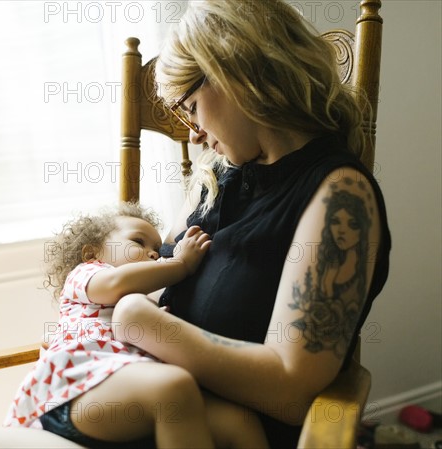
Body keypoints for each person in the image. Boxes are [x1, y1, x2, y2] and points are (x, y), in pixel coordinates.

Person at [105, 1, 392, 448]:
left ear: (236, 71)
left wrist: (144, 324)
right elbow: (158, 280)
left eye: (192, 107)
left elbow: (291, 390)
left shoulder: (340, 197)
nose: (193, 133)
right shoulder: (214, 176)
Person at [4, 202, 269, 449]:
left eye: (156, 247)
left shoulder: (147, 301)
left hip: (129, 397)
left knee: (239, 421)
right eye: (137, 241)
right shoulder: (87, 275)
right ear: (92, 252)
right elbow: (116, 283)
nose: (154, 253)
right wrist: (180, 263)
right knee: (172, 388)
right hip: (72, 394)